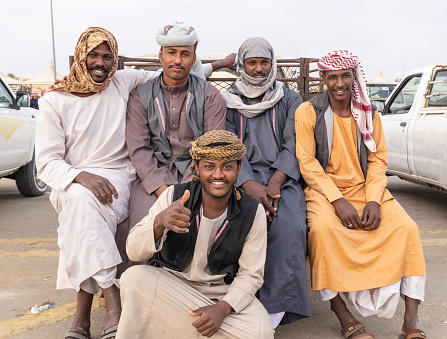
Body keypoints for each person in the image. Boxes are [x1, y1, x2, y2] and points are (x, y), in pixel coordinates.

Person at [35, 27, 158, 339]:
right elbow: (46, 162)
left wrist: (218, 65)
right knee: (79, 200)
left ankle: (81, 319)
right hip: (70, 180)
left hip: (117, 180)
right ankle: (112, 302)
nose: (101, 62)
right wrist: (81, 176)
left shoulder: (123, 82)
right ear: (81, 56)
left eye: (107, 56)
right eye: (94, 55)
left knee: (81, 216)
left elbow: (172, 72)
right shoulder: (54, 100)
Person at [294, 50, 427, 339]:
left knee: (407, 229)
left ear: (354, 77)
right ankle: (343, 316)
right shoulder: (309, 112)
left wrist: (373, 200)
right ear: (323, 79)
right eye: (333, 77)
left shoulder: (368, 112)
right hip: (324, 192)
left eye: (345, 76)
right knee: (322, 232)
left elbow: (378, 160)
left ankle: (411, 321)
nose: (339, 83)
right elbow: (307, 162)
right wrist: (337, 200)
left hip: (366, 189)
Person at [116, 130, 274, 338]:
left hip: (220, 294)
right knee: (133, 278)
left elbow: (250, 275)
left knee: (261, 333)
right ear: (197, 168)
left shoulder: (252, 212)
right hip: (172, 287)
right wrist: (159, 223)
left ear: (239, 169)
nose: (218, 175)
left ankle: (177, 327)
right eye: (209, 166)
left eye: (227, 167)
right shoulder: (174, 196)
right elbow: (134, 252)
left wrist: (223, 309)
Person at [223, 37, 310, 328]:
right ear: (242, 65)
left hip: (282, 178)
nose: (259, 69)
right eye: (252, 62)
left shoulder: (289, 98)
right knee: (240, 224)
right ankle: (238, 302)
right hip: (240, 179)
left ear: (272, 64)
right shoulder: (228, 101)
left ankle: (276, 310)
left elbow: (294, 143)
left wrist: (274, 184)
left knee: (289, 225)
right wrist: (249, 185)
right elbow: (230, 147)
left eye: (264, 62)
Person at [125, 22, 227, 255]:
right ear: (160, 55)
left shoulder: (210, 96)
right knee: (143, 220)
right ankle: (140, 284)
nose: (177, 60)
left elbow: (211, 148)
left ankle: (190, 285)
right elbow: (139, 150)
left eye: (185, 54)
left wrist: (188, 189)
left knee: (199, 220)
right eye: (171, 53)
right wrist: (163, 191)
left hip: (197, 174)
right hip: (152, 177)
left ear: (193, 58)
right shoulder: (140, 97)